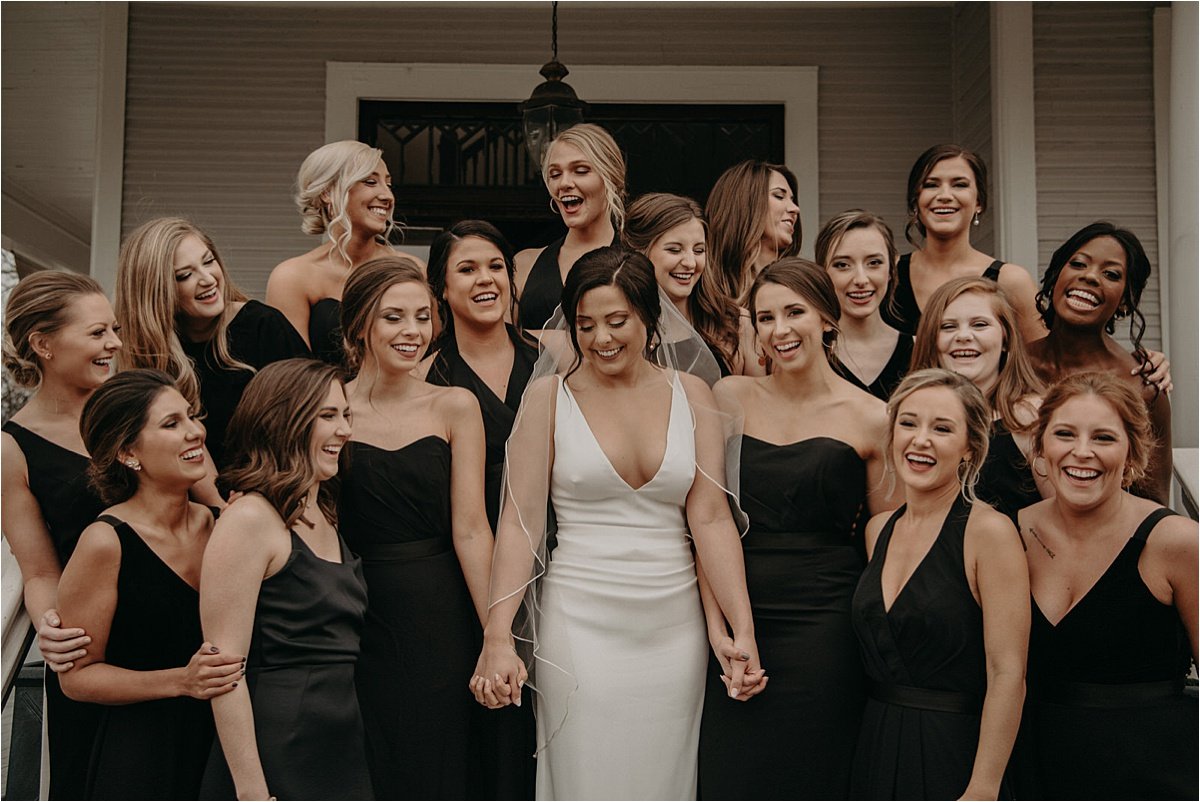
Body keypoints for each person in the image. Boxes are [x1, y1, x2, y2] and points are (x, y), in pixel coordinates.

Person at [471, 247, 764, 800]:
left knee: (664, 779)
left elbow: (711, 518)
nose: (600, 338)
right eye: (585, 325)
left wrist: (739, 629)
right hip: (578, 622)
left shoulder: (693, 395)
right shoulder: (548, 399)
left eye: (616, 321)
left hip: (673, 628)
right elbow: (519, 523)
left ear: (650, 320)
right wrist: (498, 635)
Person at [699, 259, 900, 799]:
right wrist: (719, 628)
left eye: (795, 312)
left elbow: (884, 526)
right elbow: (706, 517)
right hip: (740, 600)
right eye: (766, 318)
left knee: (815, 770)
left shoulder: (874, 416)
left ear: (828, 319)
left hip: (827, 621)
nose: (780, 330)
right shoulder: (729, 398)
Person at [337, 257, 495, 799]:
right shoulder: (326, 405)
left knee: (441, 755)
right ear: (360, 324)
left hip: (439, 608)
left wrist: (497, 635)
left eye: (422, 318)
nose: (412, 332)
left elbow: (472, 528)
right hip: (352, 607)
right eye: (393, 318)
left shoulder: (455, 405)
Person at [57, 369, 242, 799]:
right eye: (171, 424)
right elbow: (77, 678)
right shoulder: (106, 541)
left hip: (224, 745)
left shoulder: (223, 526)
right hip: (143, 754)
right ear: (127, 452)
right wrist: (182, 680)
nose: (196, 432)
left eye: (191, 417)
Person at [1014, 371, 1197, 799]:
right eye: (1064, 434)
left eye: (1103, 438)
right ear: (1040, 447)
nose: (1082, 452)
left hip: (1158, 776)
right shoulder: (1009, 535)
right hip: (1039, 774)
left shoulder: (1176, 542)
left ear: (1132, 452)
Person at [851, 368, 1029, 800]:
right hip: (875, 744)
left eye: (942, 428)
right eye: (908, 423)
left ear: (970, 448)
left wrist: (983, 786)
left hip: (954, 752)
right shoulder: (878, 530)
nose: (920, 439)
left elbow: (1008, 673)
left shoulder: (990, 532)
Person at [200, 359, 372, 800]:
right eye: (328, 416)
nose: (345, 431)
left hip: (339, 736)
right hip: (279, 740)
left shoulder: (324, 511)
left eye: (346, 414)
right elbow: (225, 672)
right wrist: (252, 792)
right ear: (285, 419)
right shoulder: (249, 518)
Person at [423, 222, 538, 798]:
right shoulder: (426, 374)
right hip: (463, 566)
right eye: (466, 269)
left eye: (495, 266)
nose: (485, 279)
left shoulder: (552, 357)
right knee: (488, 720)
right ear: (441, 288)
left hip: (556, 555)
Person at [1, 271, 120, 799]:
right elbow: (41, 569)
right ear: (43, 344)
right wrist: (51, 626)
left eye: (113, 330)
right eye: (97, 333)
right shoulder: (12, 449)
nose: (114, 343)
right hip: (90, 648)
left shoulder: (134, 411)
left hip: (178, 626)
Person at [115, 217, 308, 469]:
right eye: (185, 275)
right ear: (156, 292)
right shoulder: (146, 352)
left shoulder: (262, 325)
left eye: (208, 261)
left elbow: (310, 417)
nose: (208, 279)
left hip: (266, 487)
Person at [1026, 222, 1173, 504]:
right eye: (1078, 264)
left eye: (1111, 274)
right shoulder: (1012, 364)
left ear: (1126, 302)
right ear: (1057, 275)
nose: (1091, 277)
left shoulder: (1142, 385)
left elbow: (1154, 501)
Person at [266, 140, 423, 364]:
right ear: (327, 193)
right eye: (370, 182)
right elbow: (293, 373)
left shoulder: (412, 269)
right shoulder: (292, 277)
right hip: (322, 398)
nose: (387, 196)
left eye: (388, 184)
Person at [910, 277, 1047, 522]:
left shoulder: (1029, 417)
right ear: (932, 341)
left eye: (979, 324)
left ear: (1006, 339)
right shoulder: (909, 421)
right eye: (948, 327)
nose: (963, 336)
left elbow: (1062, 518)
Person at [884, 144, 1043, 342]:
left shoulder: (1012, 281)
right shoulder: (886, 275)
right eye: (931, 185)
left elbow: (1043, 362)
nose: (944, 196)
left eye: (959, 185)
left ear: (979, 202)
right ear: (915, 201)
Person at [623, 192, 759, 377]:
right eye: (674, 250)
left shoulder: (735, 323)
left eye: (698, 250)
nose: (690, 262)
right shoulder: (621, 325)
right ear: (640, 252)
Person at [514, 123, 625, 331]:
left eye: (580, 171)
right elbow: (498, 345)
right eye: (555, 174)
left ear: (611, 178)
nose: (564, 183)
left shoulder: (641, 260)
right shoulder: (523, 264)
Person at [815, 209, 913, 400]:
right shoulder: (808, 354)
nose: (861, 279)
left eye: (874, 262)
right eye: (842, 265)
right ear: (822, 273)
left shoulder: (921, 350)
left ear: (891, 269)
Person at [705, 159, 801, 304]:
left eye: (792, 200)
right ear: (746, 204)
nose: (795, 208)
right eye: (779, 196)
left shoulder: (802, 286)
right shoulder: (704, 293)